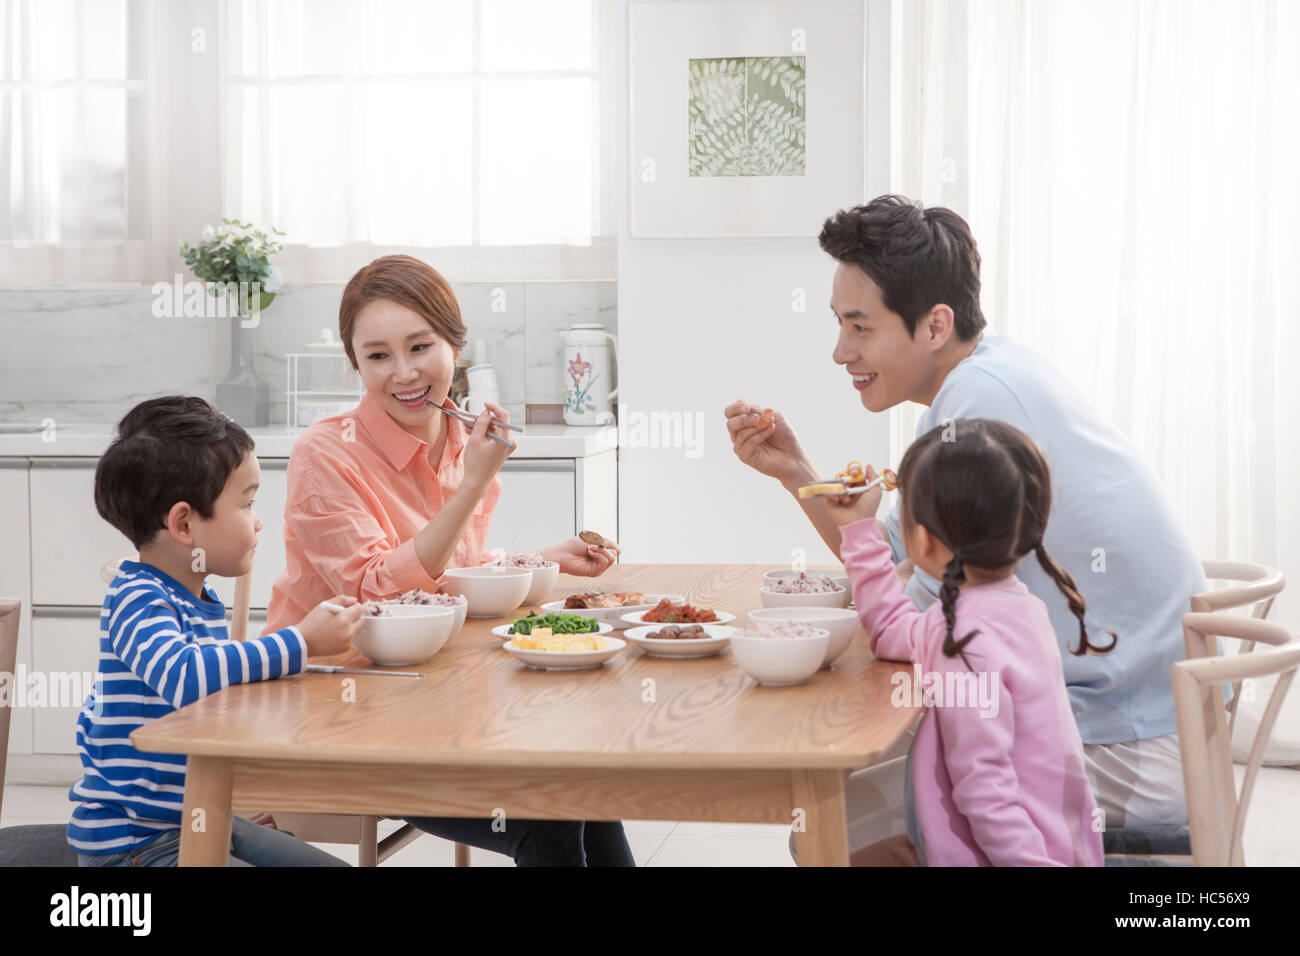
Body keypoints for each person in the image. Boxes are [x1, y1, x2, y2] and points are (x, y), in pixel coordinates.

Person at [725, 196, 1206, 858]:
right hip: (1135, 718)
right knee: (839, 814)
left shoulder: (977, 404)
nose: (840, 351)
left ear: (934, 324)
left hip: (1126, 741)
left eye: (860, 327)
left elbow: (897, 618)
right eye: (839, 324)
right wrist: (796, 471)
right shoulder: (989, 372)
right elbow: (901, 555)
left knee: (826, 828)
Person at [263, 254, 633, 866]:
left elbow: (448, 575)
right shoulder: (324, 453)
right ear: (355, 363)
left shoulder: (463, 441)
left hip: (433, 697)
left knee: (587, 782)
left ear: (454, 345)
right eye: (378, 355)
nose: (404, 372)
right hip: (336, 712)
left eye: (420, 346)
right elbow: (378, 592)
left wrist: (542, 560)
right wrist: (471, 487)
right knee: (550, 820)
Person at [68, 396, 359, 866]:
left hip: (202, 814)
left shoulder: (196, 597)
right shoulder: (138, 598)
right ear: (184, 523)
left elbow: (210, 709)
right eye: (247, 503)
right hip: (138, 845)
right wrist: (300, 642)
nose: (258, 520)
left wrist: (235, 795)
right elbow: (187, 676)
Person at [827, 419, 1111, 865]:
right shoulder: (1017, 608)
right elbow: (890, 633)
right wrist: (859, 530)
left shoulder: (961, 637)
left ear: (921, 538)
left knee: (827, 850)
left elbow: (984, 788)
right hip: (1056, 845)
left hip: (1012, 856)